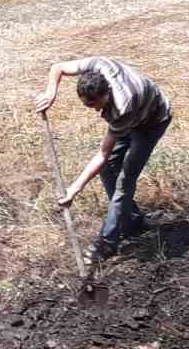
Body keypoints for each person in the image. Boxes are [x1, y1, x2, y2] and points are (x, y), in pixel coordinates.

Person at [33, 55, 173, 263]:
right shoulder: (98, 66)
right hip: (131, 115)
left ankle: (107, 243)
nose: (96, 110)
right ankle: (131, 221)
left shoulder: (123, 106)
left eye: (95, 105)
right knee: (108, 170)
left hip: (151, 120)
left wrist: (74, 189)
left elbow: (102, 153)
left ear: (106, 93)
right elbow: (58, 67)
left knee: (125, 181)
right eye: (87, 105)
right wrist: (50, 93)